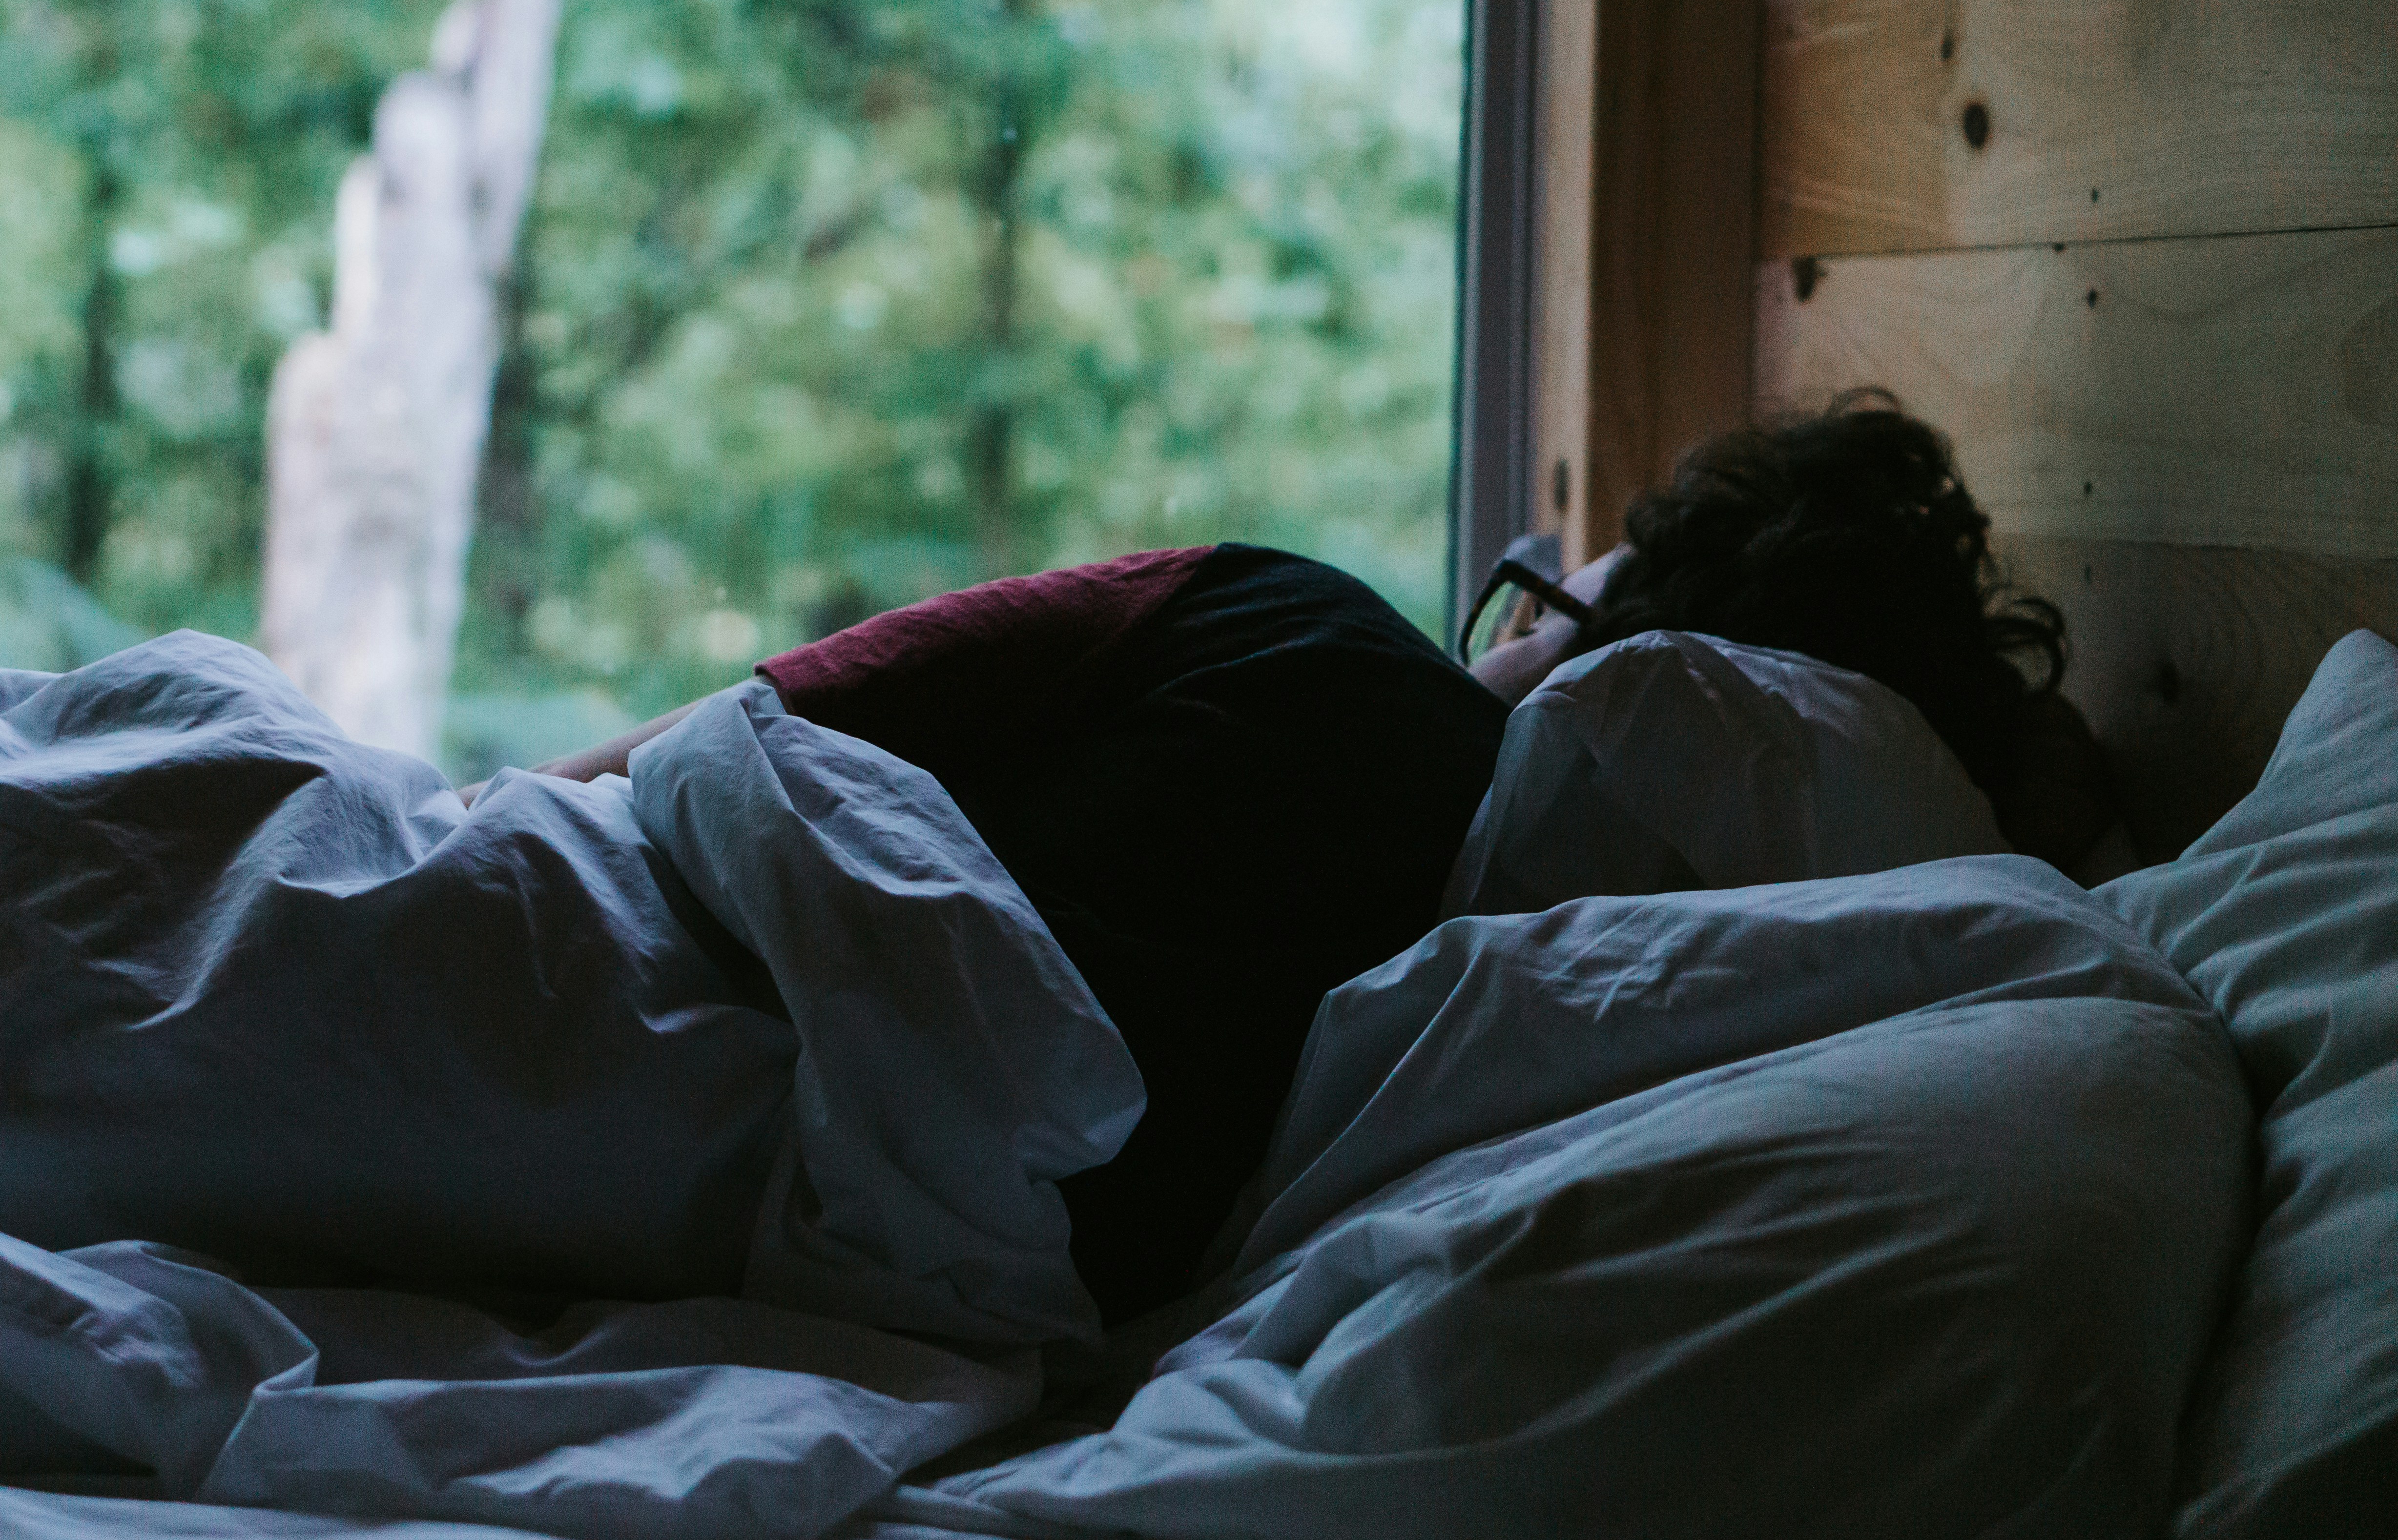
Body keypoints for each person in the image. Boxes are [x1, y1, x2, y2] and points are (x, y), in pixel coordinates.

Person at [512, 391, 2116, 1325]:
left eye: (1538, 596)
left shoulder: (1277, 619)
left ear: (1599, 647)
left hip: (567, 985)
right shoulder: (1548, 1050)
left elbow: (707, 744)